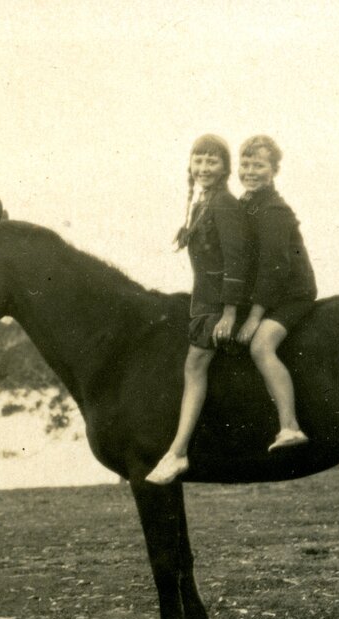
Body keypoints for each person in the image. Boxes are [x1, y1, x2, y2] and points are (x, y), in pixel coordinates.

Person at [146, 134, 252, 485]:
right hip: (205, 300)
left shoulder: (223, 204)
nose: (204, 168)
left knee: (195, 365)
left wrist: (230, 313)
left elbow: (238, 261)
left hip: (222, 303)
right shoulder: (201, 203)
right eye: (198, 160)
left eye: (212, 161)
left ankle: (177, 452)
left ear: (224, 168)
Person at [235, 135, 317, 450]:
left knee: (261, 345)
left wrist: (255, 316)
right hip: (267, 293)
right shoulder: (246, 203)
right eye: (245, 164)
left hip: (292, 294)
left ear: (274, 170)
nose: (251, 171)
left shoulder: (273, 209)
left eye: (259, 165)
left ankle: (289, 425)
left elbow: (274, 267)